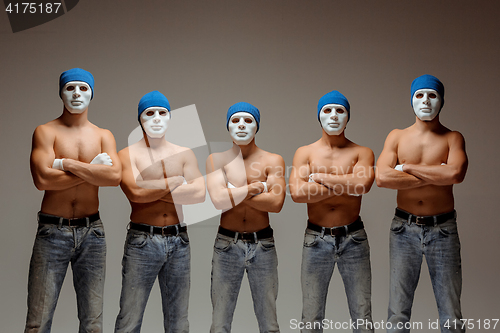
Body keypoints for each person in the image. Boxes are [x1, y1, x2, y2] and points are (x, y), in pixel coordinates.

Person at [26, 68, 121, 333]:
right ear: (61, 93)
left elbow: (114, 177)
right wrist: (92, 169)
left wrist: (63, 164)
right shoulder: (45, 132)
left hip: (93, 232)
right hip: (52, 231)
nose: (77, 93)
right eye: (70, 88)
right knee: (38, 322)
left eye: (83, 88)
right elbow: (42, 179)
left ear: (92, 94)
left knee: (93, 324)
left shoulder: (104, 135)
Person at [376, 74, 468, 333]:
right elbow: (382, 177)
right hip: (403, 229)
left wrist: (406, 168)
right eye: (419, 95)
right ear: (411, 100)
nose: (425, 100)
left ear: (441, 101)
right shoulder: (396, 136)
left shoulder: (453, 138)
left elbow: (455, 174)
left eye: (432, 95)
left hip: (443, 229)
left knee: (451, 312)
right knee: (397, 312)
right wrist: (434, 175)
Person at [114, 91, 205, 333]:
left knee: (178, 322)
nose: (156, 118)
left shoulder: (185, 153)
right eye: (149, 113)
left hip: (179, 241)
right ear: (140, 119)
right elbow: (134, 193)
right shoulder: (127, 154)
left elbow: (199, 194)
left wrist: (149, 186)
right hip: (142, 240)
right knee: (129, 320)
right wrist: (175, 182)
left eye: (162, 113)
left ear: (170, 117)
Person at [289, 91, 375, 333]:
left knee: (362, 314)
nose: (334, 116)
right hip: (316, 239)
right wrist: (345, 184)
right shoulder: (304, 152)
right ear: (319, 116)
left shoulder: (362, 152)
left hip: (354, 238)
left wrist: (319, 178)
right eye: (327, 110)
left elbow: (363, 186)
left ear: (348, 117)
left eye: (340, 110)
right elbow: (297, 193)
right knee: (311, 316)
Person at [206, 102, 286, 333]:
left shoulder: (273, 160)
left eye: (248, 120)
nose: (241, 125)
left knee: (269, 323)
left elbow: (276, 203)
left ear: (257, 126)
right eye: (235, 120)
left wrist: (233, 191)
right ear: (228, 126)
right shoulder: (216, 160)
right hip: (226, 245)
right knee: (220, 323)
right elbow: (218, 201)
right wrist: (252, 189)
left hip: (263, 244)